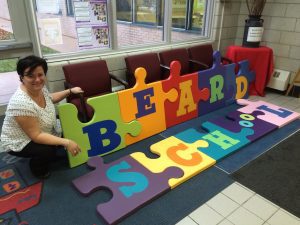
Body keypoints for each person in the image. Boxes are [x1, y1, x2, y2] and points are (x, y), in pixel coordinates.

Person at [0, 55, 83, 179]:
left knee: (70, 126)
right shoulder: (20, 103)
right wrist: (66, 142)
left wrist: (70, 91)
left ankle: (54, 148)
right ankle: (37, 168)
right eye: (30, 76)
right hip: (20, 140)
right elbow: (36, 136)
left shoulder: (38, 88)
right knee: (47, 150)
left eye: (40, 74)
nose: (37, 79)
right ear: (22, 77)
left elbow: (50, 98)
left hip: (41, 128)